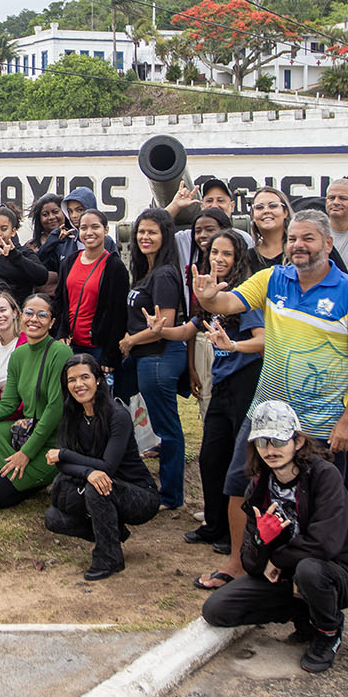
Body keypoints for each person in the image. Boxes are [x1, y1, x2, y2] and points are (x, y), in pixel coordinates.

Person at [192, 209, 348, 591]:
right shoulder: (272, 279)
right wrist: (207, 297)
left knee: (315, 497)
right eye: (293, 238)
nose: (298, 245)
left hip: (321, 419)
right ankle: (238, 563)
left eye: (308, 238)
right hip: (267, 411)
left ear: (328, 243)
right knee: (240, 483)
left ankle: (308, 574)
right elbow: (227, 304)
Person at [201, 401, 348, 675]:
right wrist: (261, 541)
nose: (270, 450)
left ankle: (328, 632)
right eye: (262, 442)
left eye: (278, 441)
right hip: (286, 575)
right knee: (217, 609)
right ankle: (303, 614)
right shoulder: (258, 486)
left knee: (309, 570)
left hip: (338, 573)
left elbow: (324, 544)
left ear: (298, 442)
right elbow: (252, 564)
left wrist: (276, 558)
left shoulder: (324, 475)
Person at [149, 228, 264, 552]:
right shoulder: (208, 297)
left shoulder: (244, 296)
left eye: (227, 253)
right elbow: (188, 330)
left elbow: (263, 340)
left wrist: (234, 345)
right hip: (221, 383)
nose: (219, 259)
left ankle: (237, 533)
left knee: (240, 462)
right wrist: (160, 330)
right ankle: (214, 525)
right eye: (214, 253)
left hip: (246, 381)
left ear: (238, 258)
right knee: (211, 457)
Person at [45, 354, 161, 580]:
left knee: (97, 488)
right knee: (54, 516)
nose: (78, 384)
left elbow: (106, 466)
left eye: (85, 377)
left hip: (139, 495)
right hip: (102, 484)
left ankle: (109, 558)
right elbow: (63, 466)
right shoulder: (72, 413)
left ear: (98, 380)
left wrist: (65, 455)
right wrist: (88, 472)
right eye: (72, 380)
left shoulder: (118, 415)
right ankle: (114, 532)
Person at [0, 293, 70, 509]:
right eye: (30, 313)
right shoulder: (19, 355)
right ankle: (19, 469)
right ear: (22, 315)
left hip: (53, 440)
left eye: (42, 315)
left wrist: (25, 454)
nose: (34, 319)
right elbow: (8, 404)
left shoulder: (60, 352)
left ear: (52, 322)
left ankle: (40, 474)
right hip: (26, 430)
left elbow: (55, 410)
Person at [118, 207, 188, 509]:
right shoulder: (147, 270)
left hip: (159, 357)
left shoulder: (164, 274)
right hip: (141, 356)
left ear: (165, 236)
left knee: (166, 428)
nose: (145, 237)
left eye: (152, 232)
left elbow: (164, 326)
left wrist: (131, 340)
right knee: (117, 401)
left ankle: (171, 495)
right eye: (141, 232)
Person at [174, 206, 236, 423]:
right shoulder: (197, 271)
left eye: (209, 229)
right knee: (208, 405)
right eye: (198, 231)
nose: (202, 235)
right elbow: (195, 320)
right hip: (203, 342)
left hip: (233, 345)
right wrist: (192, 366)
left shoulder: (240, 272)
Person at [53, 209, 129, 369]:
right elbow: (60, 301)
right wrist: (61, 332)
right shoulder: (70, 261)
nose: (89, 232)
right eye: (83, 228)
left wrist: (110, 356)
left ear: (106, 230)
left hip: (99, 349)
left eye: (95, 227)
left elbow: (118, 314)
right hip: (70, 345)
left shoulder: (114, 266)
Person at [0, 206, 48, 305]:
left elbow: (42, 277)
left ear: (13, 231)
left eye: (3, 229)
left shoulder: (24, 253)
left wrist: (15, 256)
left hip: (16, 311)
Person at [25, 193, 66, 291]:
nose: (51, 217)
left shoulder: (74, 241)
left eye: (55, 212)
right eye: (45, 214)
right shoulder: (31, 246)